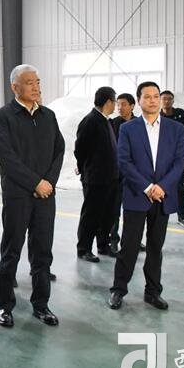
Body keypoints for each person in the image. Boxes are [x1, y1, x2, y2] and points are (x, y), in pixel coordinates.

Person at [0, 64, 65, 328]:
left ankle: (41, 304)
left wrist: (48, 183)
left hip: (45, 196)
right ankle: (5, 305)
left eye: (38, 81)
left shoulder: (48, 116)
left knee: (42, 252)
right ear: (15, 87)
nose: (36, 87)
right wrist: (35, 183)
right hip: (18, 195)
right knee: (11, 250)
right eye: (30, 82)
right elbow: (6, 157)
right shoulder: (4, 117)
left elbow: (59, 150)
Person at [108, 82, 184, 311]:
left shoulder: (175, 129)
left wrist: (162, 187)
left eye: (156, 96)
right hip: (137, 195)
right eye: (147, 96)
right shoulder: (128, 129)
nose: (152, 100)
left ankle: (153, 292)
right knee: (129, 246)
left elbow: (179, 161)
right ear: (139, 101)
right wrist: (147, 187)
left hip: (163, 197)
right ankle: (118, 290)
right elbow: (124, 161)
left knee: (155, 246)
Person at [74, 86, 119, 262]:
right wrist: (85, 168)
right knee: (91, 215)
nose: (115, 105)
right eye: (114, 101)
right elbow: (80, 149)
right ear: (108, 101)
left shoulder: (106, 121)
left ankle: (103, 245)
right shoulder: (90, 121)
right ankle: (84, 248)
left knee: (107, 214)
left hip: (110, 177)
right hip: (95, 178)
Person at [160, 90, 184, 227]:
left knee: (179, 186)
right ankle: (161, 214)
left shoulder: (181, 114)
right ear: (160, 101)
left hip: (180, 157)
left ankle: (181, 215)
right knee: (161, 185)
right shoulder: (157, 115)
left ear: (173, 101)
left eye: (169, 99)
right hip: (162, 158)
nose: (166, 101)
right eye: (164, 99)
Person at [110, 93, 138, 253]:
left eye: (123, 104)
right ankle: (113, 240)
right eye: (118, 104)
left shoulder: (139, 124)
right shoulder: (113, 124)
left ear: (132, 106)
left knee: (134, 210)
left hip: (134, 174)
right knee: (114, 210)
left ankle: (133, 240)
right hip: (117, 174)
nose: (120, 108)